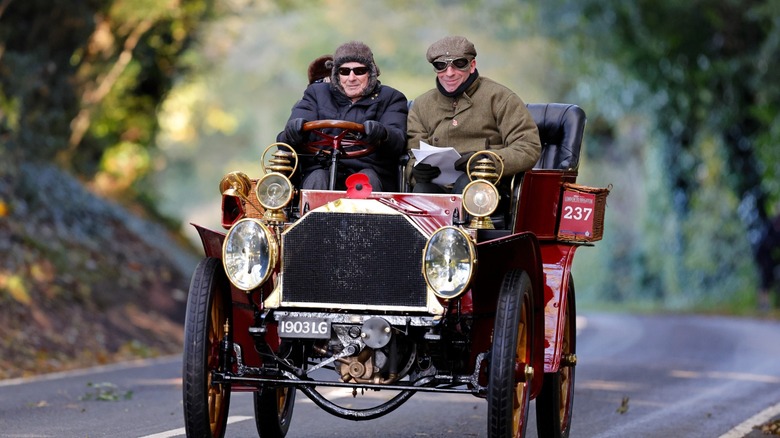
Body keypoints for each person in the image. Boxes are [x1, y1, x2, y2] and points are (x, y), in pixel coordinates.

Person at [406, 35, 541, 193]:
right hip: (438, 186)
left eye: (459, 64)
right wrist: (416, 171)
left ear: (472, 65)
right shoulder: (422, 104)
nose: (449, 73)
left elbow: (528, 147)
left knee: (468, 185)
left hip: (488, 188)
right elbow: (412, 153)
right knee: (421, 190)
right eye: (441, 65)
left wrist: (487, 161)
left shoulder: (500, 98)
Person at [278, 41, 408, 191]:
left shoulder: (391, 97)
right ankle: (311, 214)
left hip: (370, 171)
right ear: (336, 74)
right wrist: (294, 131)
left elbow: (399, 141)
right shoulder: (316, 93)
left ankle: (367, 215)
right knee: (317, 177)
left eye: (359, 71)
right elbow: (283, 142)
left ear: (371, 73)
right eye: (344, 72)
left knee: (366, 179)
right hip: (321, 167)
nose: (351, 78)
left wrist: (383, 134)